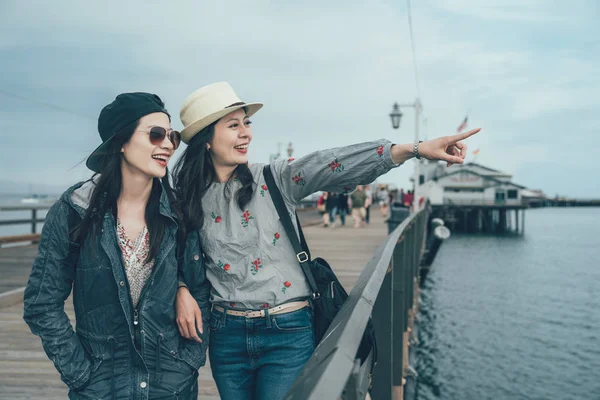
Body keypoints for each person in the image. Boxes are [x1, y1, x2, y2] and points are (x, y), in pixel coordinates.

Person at [172, 81, 480, 400]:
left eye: (247, 123)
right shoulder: (186, 198)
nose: (246, 133)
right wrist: (182, 288)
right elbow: (170, 257)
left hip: (286, 333)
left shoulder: (274, 179)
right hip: (227, 338)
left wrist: (409, 149)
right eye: (233, 125)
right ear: (206, 139)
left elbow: (331, 164)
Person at [23, 93, 209, 399]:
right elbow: (41, 304)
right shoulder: (74, 212)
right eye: (155, 134)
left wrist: (188, 362)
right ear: (120, 142)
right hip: (100, 389)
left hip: (171, 389)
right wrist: (80, 373)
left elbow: (201, 288)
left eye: (172, 137)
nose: (167, 145)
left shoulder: (178, 214)